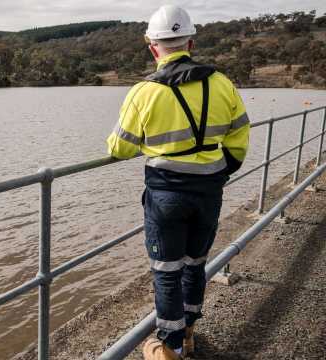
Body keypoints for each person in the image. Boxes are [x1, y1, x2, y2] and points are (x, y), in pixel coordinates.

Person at [106, 5, 250, 360]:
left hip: (166, 194)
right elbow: (239, 135)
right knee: (195, 264)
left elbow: (120, 148)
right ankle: (188, 332)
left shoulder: (144, 91)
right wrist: (218, 170)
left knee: (166, 273)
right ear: (191, 41)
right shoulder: (222, 83)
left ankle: (168, 346)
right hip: (208, 192)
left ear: (152, 45)